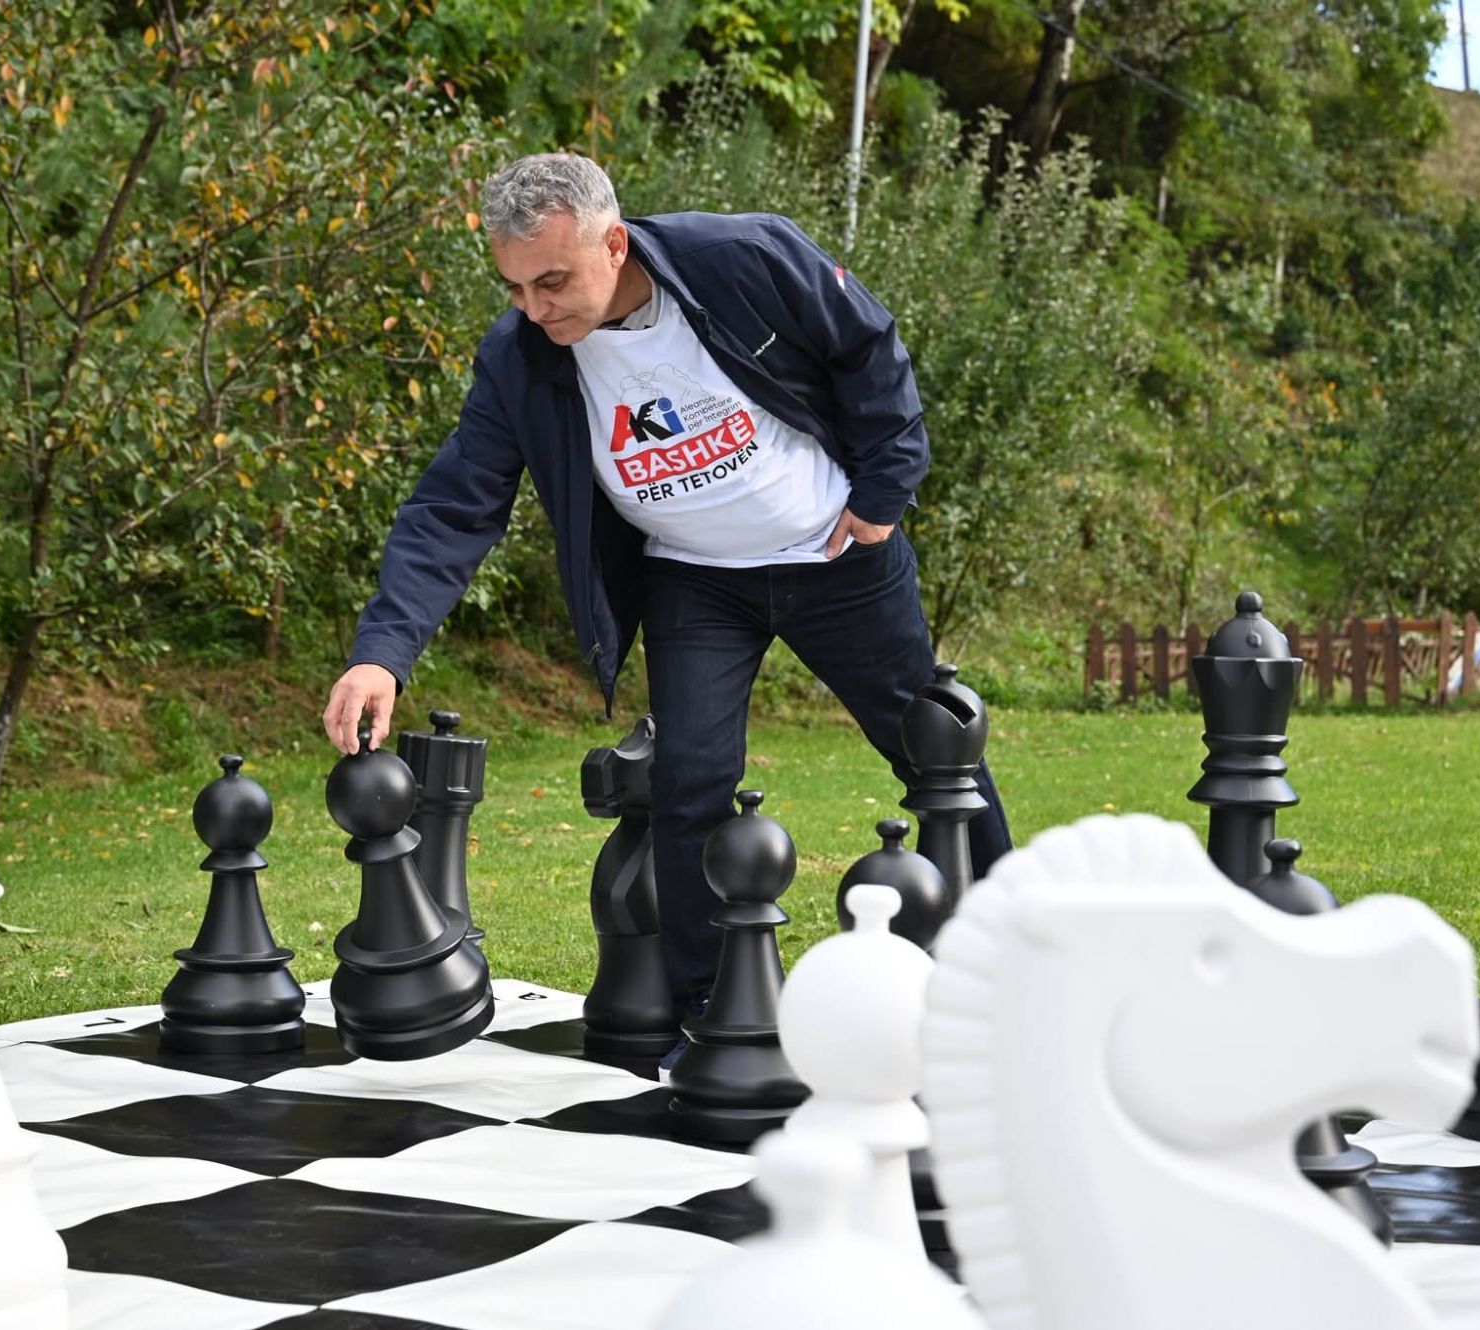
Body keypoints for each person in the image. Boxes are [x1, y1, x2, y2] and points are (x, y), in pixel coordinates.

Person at [322, 154, 1010, 1052]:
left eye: (552, 281)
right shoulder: (520, 355)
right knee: (689, 786)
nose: (534, 308)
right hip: (695, 580)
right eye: (515, 287)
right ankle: (711, 1011)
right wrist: (382, 652)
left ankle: (1012, 959)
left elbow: (867, 347)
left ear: (614, 243)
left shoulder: (745, 258)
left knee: (937, 755)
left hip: (837, 558)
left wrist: (884, 493)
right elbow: (457, 505)